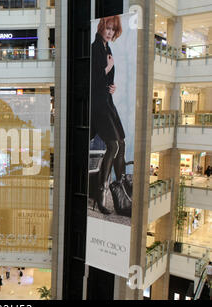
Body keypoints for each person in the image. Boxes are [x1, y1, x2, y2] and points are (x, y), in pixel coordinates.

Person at [90, 15, 127, 215]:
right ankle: (101, 192)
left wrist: (112, 87)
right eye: (108, 28)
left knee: (122, 141)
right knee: (113, 144)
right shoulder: (95, 48)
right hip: (98, 105)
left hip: (107, 101)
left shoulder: (107, 48)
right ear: (101, 27)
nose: (110, 32)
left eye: (113, 29)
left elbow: (105, 79)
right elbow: (93, 79)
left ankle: (121, 190)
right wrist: (108, 68)